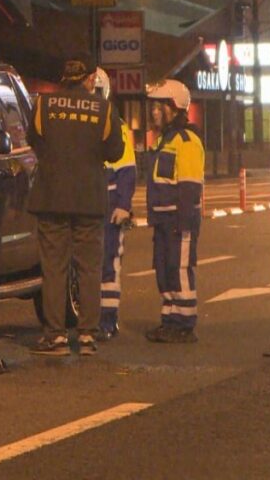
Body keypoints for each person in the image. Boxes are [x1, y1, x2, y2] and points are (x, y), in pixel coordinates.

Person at [27, 56, 124, 356]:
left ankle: (55, 337)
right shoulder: (104, 109)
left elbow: (35, 141)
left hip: (52, 197)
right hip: (89, 199)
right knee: (89, 269)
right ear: (90, 78)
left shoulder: (43, 105)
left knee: (54, 269)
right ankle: (86, 336)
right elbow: (116, 152)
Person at [144, 79, 204, 344]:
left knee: (179, 269)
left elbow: (190, 186)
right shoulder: (162, 141)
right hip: (163, 218)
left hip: (179, 219)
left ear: (175, 108)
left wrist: (183, 221)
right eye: (153, 107)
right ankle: (169, 320)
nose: (154, 112)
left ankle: (184, 324)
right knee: (164, 269)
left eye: (160, 107)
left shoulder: (186, 140)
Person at [94, 68, 136, 342]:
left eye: (96, 93)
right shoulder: (81, 124)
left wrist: (123, 205)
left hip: (108, 205)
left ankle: (107, 321)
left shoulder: (118, 127)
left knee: (109, 264)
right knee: (86, 266)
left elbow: (127, 170)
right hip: (86, 203)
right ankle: (88, 320)